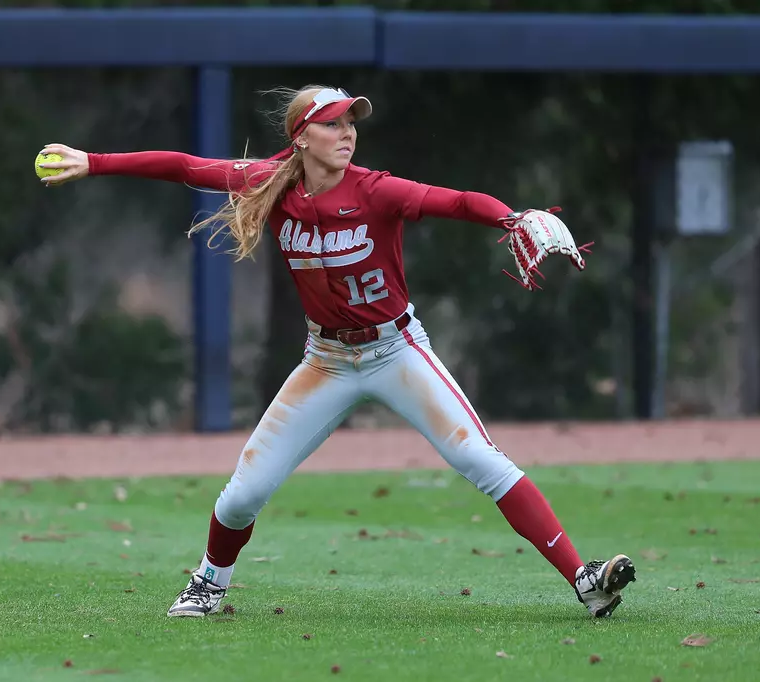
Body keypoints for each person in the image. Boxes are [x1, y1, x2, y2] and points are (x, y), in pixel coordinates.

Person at [37, 84, 636, 619]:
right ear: (302, 136)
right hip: (325, 360)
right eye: (333, 123)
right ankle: (208, 584)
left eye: (352, 123)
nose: (347, 132)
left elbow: (455, 201)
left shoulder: (375, 190)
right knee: (243, 495)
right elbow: (185, 167)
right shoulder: (270, 181)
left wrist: (511, 218)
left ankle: (584, 580)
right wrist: (93, 162)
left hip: (395, 349)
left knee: (482, 461)